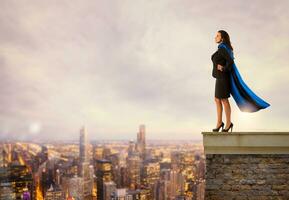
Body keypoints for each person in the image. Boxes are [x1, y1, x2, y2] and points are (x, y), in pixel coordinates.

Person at [211, 30, 234, 132]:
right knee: (217, 99)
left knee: (224, 100)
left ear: (222, 38)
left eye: (217, 36)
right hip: (219, 78)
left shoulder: (222, 48)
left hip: (223, 78)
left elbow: (231, 61)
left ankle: (228, 123)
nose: (215, 37)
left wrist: (224, 68)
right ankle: (220, 122)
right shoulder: (221, 48)